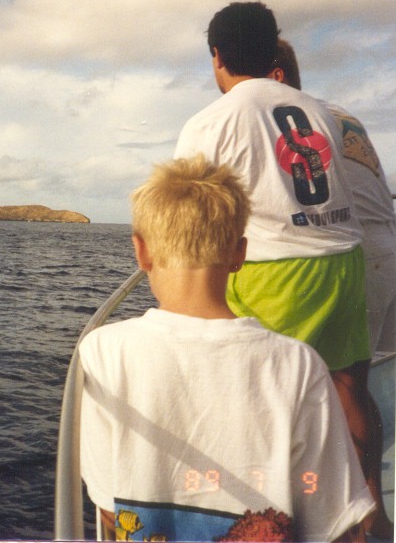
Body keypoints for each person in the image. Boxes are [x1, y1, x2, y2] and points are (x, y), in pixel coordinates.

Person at [79, 155, 374, 542]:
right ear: (240, 253)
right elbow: (333, 522)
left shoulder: (102, 351)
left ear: (142, 252)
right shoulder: (298, 364)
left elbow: (108, 505)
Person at [269, 38, 395, 538]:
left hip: (355, 256)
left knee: (325, 395)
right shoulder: (338, 116)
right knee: (357, 391)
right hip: (388, 249)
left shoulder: (286, 124)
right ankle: (374, 514)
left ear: (274, 77)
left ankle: (332, 521)